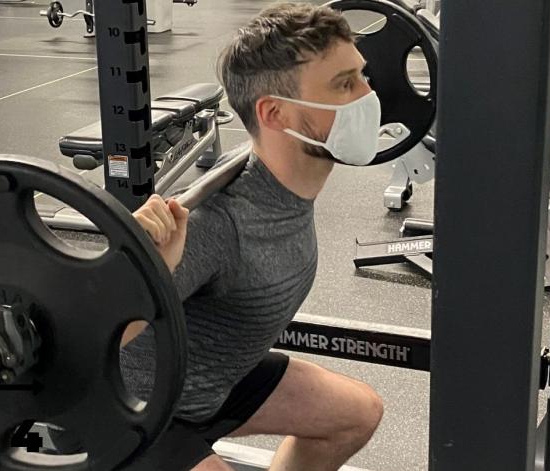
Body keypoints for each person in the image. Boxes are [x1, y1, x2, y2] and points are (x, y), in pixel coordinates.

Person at [121, 3, 384, 470]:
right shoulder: (219, 224)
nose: (367, 96)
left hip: (213, 383)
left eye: (362, 77)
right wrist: (150, 270)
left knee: (355, 414)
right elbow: (97, 336)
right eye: (345, 84)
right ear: (275, 113)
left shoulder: (282, 184)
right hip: (136, 412)